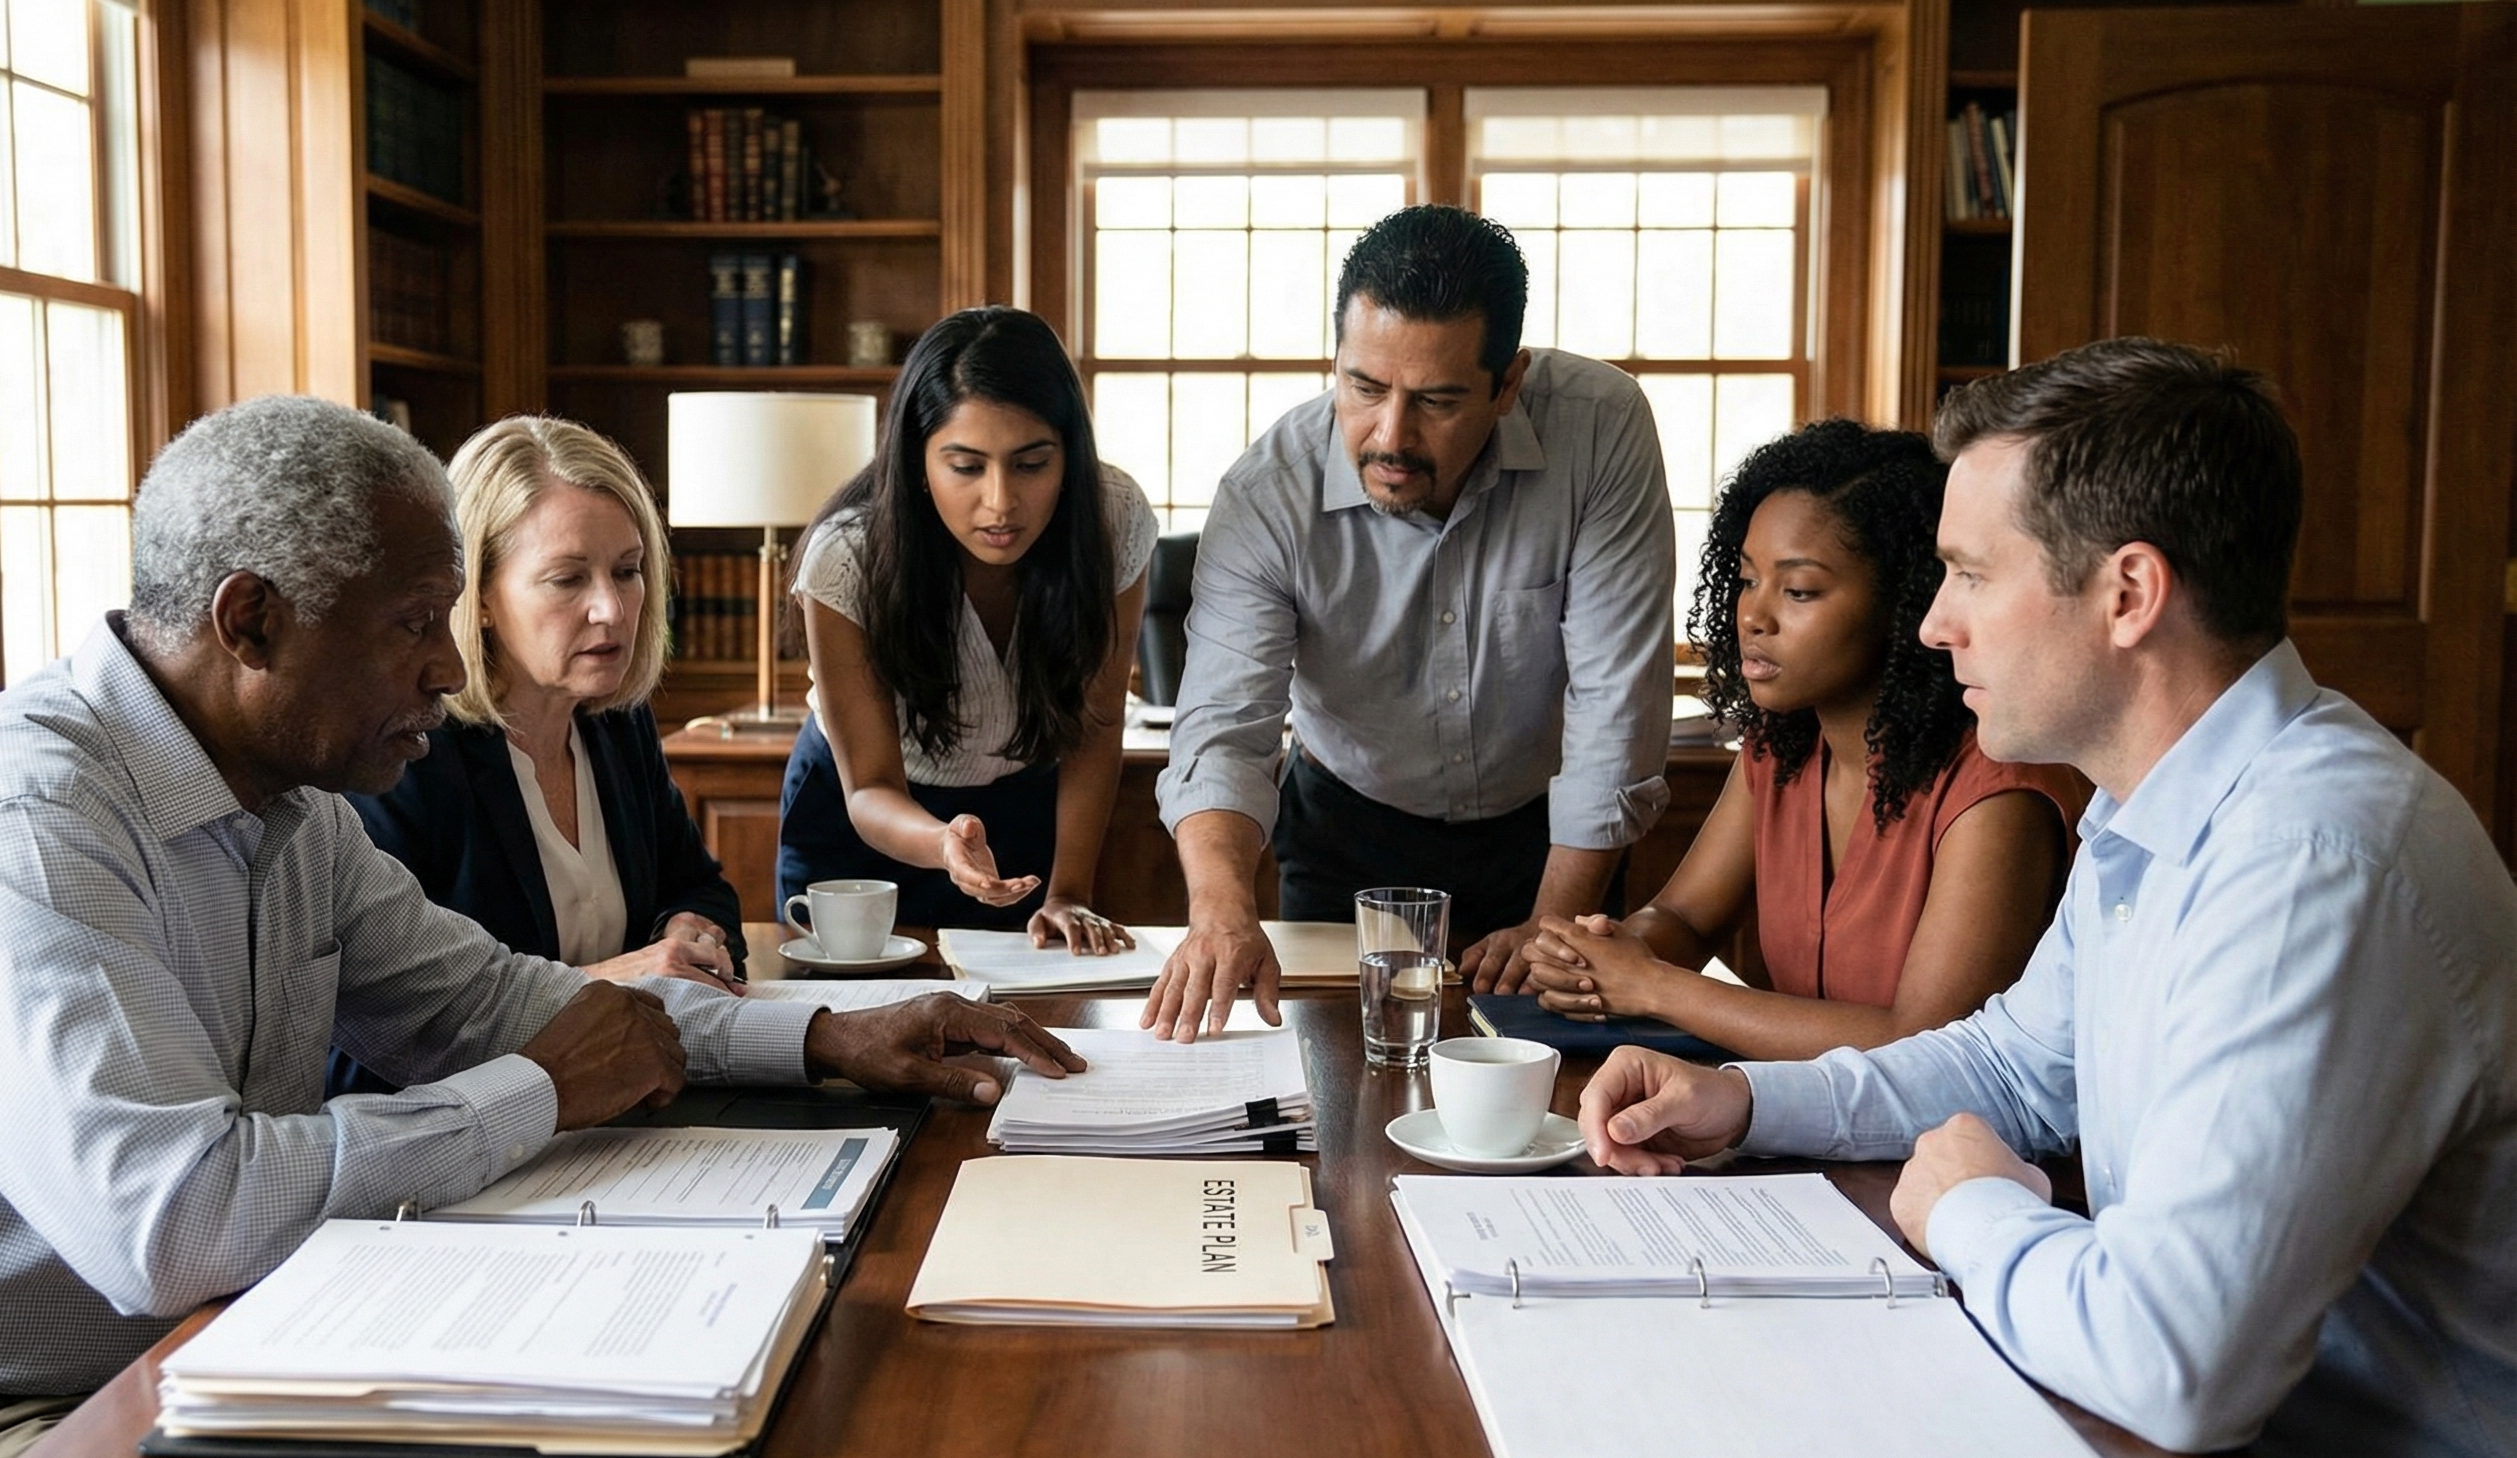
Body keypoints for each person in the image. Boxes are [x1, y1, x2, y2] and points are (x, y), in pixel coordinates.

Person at [0, 396, 1082, 1458]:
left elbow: (495, 1004)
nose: (451, 669)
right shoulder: (22, 823)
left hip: (226, 1337)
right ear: (251, 622)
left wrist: (824, 1042)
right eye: (413, 625)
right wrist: (534, 1092)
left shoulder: (292, 806)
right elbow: (171, 1225)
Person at [1579, 339, 2517, 1458]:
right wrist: (1746, 1103)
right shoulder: (2153, 803)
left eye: (1969, 573)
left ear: (2127, 594)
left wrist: (1973, 1208)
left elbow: (2177, 1366)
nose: (1933, 627)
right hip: (2190, 1455)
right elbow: (2007, 1066)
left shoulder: (2312, 865)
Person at [1144, 204, 1675, 1040]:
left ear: (1509, 383)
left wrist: (1553, 923)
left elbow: (1619, 701)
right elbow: (1223, 727)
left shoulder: (1601, 429)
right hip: (1349, 825)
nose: (1391, 436)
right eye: (1363, 388)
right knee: (1341, 1080)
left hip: (1551, 831)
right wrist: (1220, 909)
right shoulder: (1267, 493)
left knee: (1556, 1095)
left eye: (1435, 400)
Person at [1521, 419, 2080, 1058]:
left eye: (1800, 590)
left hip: (1948, 1151)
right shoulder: (1779, 747)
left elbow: (1925, 1045)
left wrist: (1654, 988)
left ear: (1904, 603)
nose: (1754, 617)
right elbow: (1684, 918)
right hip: (1800, 1131)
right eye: (1748, 579)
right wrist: (1600, 955)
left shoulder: (1996, 788)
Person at [328, 417, 746, 1099]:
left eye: (628, 571)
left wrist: (690, 931)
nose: (611, 609)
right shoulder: (405, 761)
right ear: (478, 596)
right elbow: (372, 1046)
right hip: (483, 1140)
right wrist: (624, 976)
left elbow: (699, 885)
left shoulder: (619, 723)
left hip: (638, 1104)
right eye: (566, 579)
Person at [781, 306, 1152, 950]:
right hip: (866, 823)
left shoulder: (1111, 518)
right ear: (918, 461)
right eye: (966, 466)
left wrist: (1069, 892)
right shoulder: (850, 556)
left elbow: (1095, 725)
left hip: (1025, 816)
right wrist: (943, 843)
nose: (1001, 502)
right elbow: (869, 786)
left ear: (1069, 456)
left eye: (1032, 464)